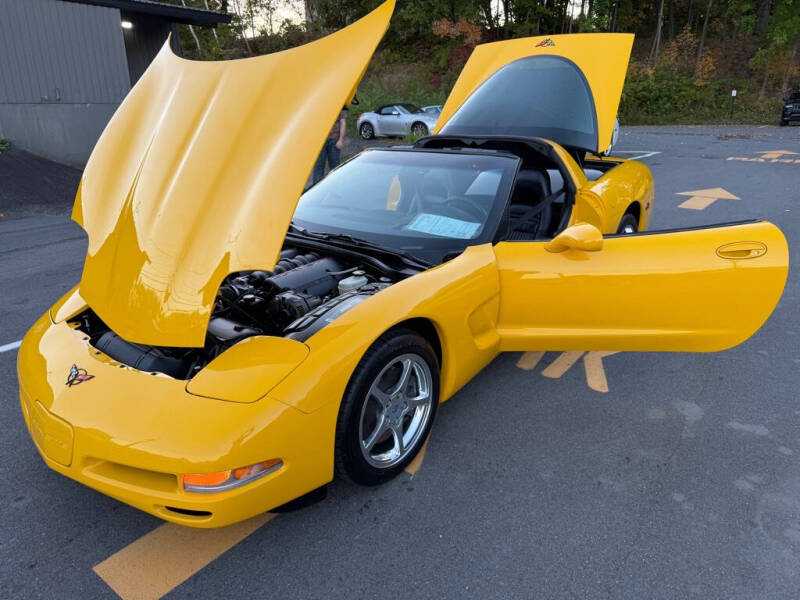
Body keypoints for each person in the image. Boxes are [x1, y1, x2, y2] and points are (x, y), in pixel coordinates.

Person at [312, 107, 347, 184]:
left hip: (334, 141)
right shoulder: (318, 105)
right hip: (320, 141)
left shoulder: (340, 105)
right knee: (318, 167)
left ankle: (335, 188)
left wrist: (340, 140)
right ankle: (317, 189)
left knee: (335, 168)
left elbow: (343, 122)